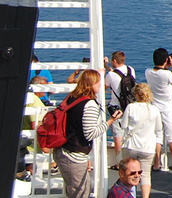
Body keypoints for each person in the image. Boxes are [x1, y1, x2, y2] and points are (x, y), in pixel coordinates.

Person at [53, 69, 122, 198]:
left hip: (63, 150)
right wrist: (111, 121)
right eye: (98, 82)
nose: (100, 85)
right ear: (91, 84)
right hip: (74, 155)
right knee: (80, 193)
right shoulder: (89, 104)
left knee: (77, 191)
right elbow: (90, 134)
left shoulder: (72, 97)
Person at [120, 83, 163, 198]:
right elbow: (159, 128)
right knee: (145, 175)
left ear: (136, 94)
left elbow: (123, 125)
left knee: (128, 174)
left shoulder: (130, 107)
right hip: (148, 147)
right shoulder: (154, 109)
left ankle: (129, 195)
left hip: (131, 146)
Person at [145, 48, 172, 171]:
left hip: (155, 106)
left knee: (157, 136)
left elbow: (160, 72)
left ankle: (156, 163)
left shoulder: (148, 72)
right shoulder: (167, 74)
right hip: (169, 108)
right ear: (166, 60)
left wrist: (166, 65)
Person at [105, 51, 136, 156]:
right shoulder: (131, 70)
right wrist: (107, 67)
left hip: (116, 107)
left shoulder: (110, 75)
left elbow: (104, 86)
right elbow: (120, 75)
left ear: (114, 61)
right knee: (129, 132)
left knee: (118, 134)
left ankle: (119, 160)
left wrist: (105, 68)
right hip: (130, 105)